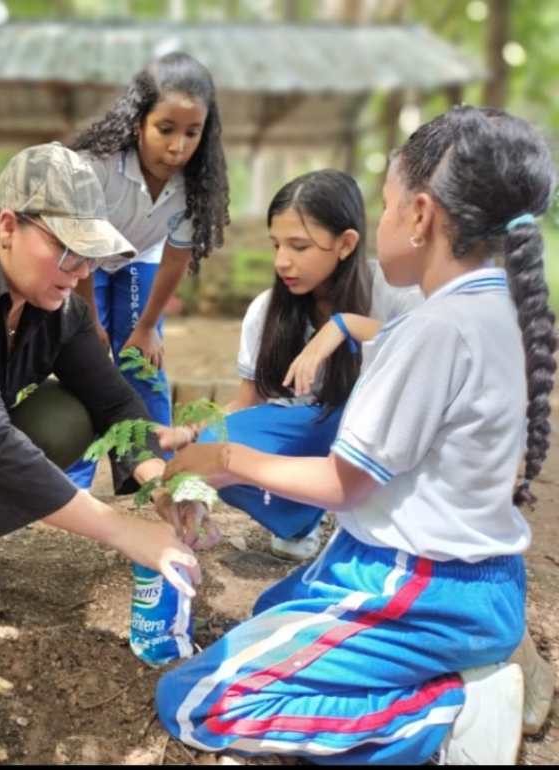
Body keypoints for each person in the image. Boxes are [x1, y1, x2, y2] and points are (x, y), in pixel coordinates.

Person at [156, 106, 555, 764]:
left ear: (422, 215)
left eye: (390, 203)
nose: (384, 221)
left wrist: (224, 455)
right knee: (271, 607)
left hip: (418, 586)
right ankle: (449, 674)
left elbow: (343, 482)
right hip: (466, 578)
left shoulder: (437, 330)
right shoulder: (494, 309)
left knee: (199, 700)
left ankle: (450, 716)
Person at [0, 142, 205, 619]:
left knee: (72, 413)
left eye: (90, 256)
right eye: (68, 250)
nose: (81, 272)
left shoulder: (57, 306)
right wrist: (122, 530)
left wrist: (160, 483)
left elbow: (114, 404)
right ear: (7, 224)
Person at [191, 170, 421, 561]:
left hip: (384, 442)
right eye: (277, 244)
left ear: (345, 244)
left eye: (299, 246)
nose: (282, 261)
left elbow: (425, 352)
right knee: (213, 445)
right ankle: (300, 519)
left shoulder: (395, 292)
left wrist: (343, 326)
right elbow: (249, 404)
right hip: (315, 434)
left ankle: (374, 522)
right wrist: (196, 435)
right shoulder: (267, 312)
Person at [63, 51, 231, 489]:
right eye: (165, 129)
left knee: (141, 361)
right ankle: (72, 481)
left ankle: (148, 474)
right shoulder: (98, 167)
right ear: (138, 122)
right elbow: (79, 245)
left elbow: (177, 255)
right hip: (85, 261)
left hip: (139, 259)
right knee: (87, 359)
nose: (178, 147)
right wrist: (90, 323)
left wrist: (148, 326)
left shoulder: (195, 185)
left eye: (192, 133)